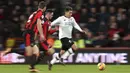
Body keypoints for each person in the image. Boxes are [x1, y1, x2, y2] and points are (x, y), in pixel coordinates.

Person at [48, 6, 91, 70]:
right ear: (66, 12)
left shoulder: (72, 19)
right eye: (70, 13)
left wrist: (81, 30)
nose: (71, 14)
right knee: (74, 47)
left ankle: (51, 63)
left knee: (62, 52)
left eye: (71, 13)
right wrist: (48, 27)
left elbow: (76, 25)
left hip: (69, 37)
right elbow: (51, 24)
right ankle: (63, 58)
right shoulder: (61, 18)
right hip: (63, 37)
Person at [23, 1, 47, 72]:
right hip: (29, 34)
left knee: (36, 52)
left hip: (29, 34)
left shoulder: (34, 13)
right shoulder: (40, 13)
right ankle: (10, 50)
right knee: (31, 53)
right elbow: (38, 24)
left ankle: (32, 67)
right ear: (44, 8)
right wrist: (42, 35)